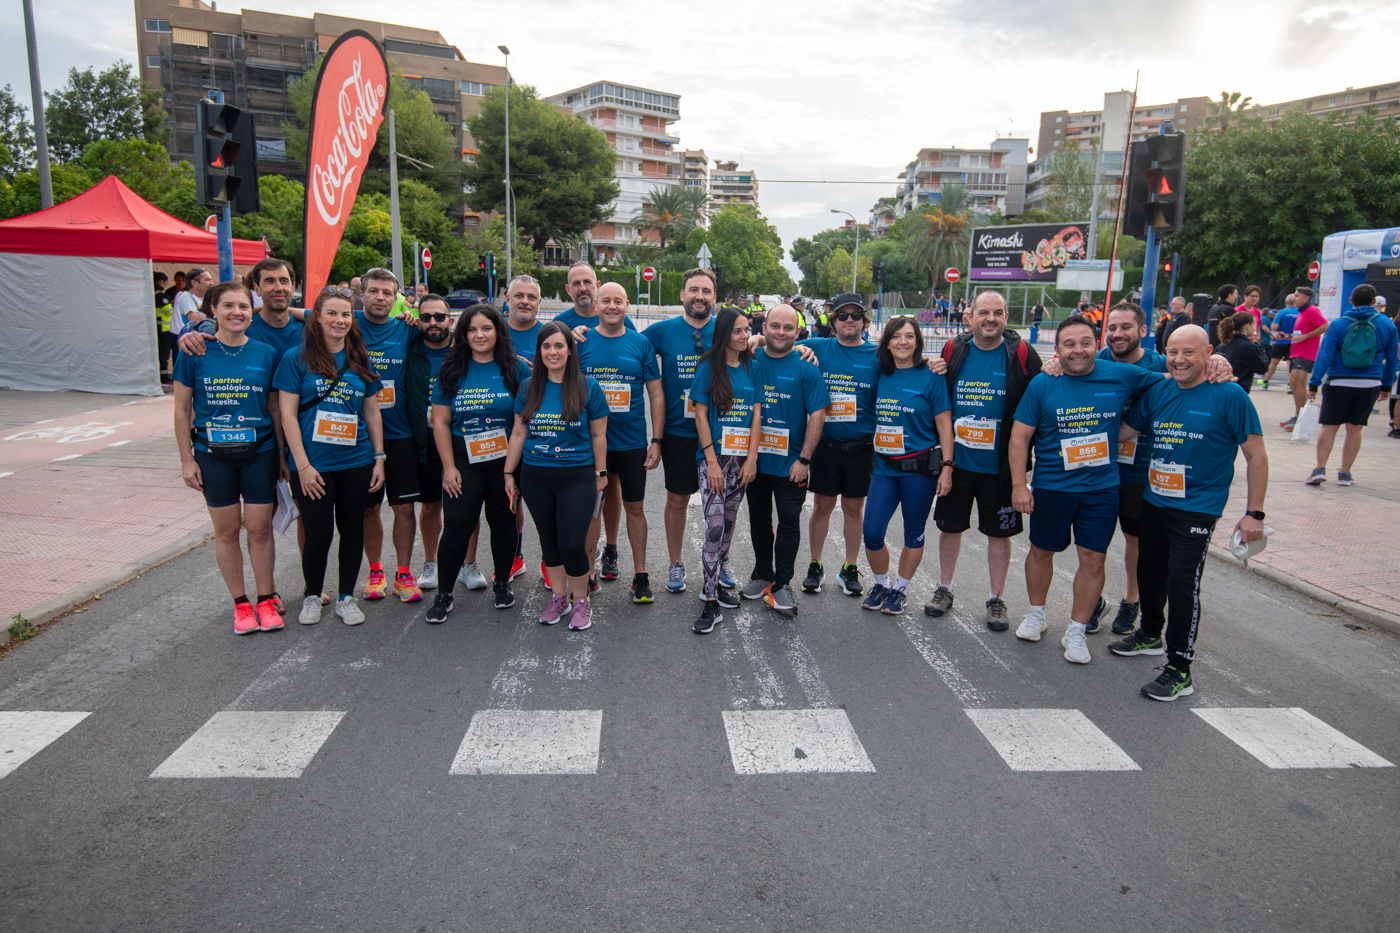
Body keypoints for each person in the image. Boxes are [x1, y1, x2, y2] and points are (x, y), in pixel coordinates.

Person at [1111, 325, 1267, 700]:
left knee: (1182, 583)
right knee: (1148, 571)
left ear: (1209, 352)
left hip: (1197, 509)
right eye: (1172, 351)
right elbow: (1124, 432)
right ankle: (1149, 634)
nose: (1179, 359)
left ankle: (1180, 668)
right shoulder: (1161, 390)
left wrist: (1255, 514)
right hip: (1155, 500)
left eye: (1189, 352)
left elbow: (1256, 455)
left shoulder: (1229, 395)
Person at [1007, 314, 1163, 664]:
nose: (1078, 351)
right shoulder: (1044, 383)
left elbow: (1172, 380)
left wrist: (1216, 363)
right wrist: (1020, 485)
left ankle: (1076, 631)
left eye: (1085, 343)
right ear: (1058, 349)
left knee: (1093, 558)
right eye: (1069, 344)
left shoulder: (1122, 374)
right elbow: (1020, 437)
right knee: (1041, 551)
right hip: (1052, 486)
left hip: (1101, 489)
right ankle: (1036, 614)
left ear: (1097, 345)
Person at [173, 281, 283, 635]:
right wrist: (186, 460)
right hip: (212, 455)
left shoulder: (266, 353)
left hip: (260, 452)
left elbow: (273, 407)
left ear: (252, 312)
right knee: (225, 533)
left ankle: (266, 599)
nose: (237, 312)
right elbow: (181, 408)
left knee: (259, 530)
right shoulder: (194, 352)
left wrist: (281, 453)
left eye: (244, 306)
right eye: (228, 306)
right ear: (213, 311)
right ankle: (241, 604)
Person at [929, 291, 1043, 629]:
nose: (990, 319)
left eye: (997, 313)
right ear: (969, 317)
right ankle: (944, 588)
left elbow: (1042, 392)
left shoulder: (1021, 353)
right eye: (983, 313)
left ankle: (996, 599)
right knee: (950, 529)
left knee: (999, 534)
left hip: (1001, 467)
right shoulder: (955, 349)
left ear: (1006, 317)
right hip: (957, 463)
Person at [274, 286, 386, 627]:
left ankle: (345, 597)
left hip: (356, 461)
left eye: (346, 314)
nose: (340, 320)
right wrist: (302, 465)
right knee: (318, 533)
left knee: (352, 529)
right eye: (332, 313)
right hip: (313, 466)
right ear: (317, 318)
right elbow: (287, 414)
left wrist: (379, 457)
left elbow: (371, 412)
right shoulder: (296, 358)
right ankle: (312, 594)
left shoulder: (358, 358)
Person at [426, 304, 531, 620]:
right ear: (463, 334)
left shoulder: (517, 369)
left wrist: (512, 469)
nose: (479, 335)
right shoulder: (452, 369)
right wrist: (449, 467)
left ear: (497, 331)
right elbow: (441, 422)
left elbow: (525, 416)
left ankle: (502, 583)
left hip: (505, 460)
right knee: (458, 523)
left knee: (503, 520)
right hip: (463, 459)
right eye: (472, 329)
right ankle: (444, 594)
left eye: (486, 328)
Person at [504, 322, 610, 631]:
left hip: (576, 476)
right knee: (549, 542)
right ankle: (558, 597)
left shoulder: (588, 386)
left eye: (559, 346)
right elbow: (519, 432)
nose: (553, 352)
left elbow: (598, 435)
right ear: (539, 352)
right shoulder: (529, 387)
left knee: (572, 544)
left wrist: (601, 474)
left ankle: (581, 601)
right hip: (536, 476)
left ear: (570, 349)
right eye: (546, 346)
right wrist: (509, 471)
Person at [860, 316, 954, 616]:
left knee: (913, 533)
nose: (903, 341)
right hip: (885, 469)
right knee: (872, 532)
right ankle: (882, 583)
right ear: (887, 341)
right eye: (896, 336)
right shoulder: (880, 372)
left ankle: (899, 590)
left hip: (920, 471)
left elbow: (944, 426)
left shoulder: (931, 375)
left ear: (918, 341)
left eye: (910, 336)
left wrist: (948, 468)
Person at [741, 305, 830, 617]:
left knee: (789, 521)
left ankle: (782, 584)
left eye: (787, 328)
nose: (780, 332)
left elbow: (817, 414)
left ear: (798, 331)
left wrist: (804, 459)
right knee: (759, 519)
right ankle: (762, 574)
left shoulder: (806, 366)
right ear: (764, 326)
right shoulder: (749, 360)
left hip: (792, 464)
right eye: (774, 326)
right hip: (754, 461)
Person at [577, 282, 663, 601]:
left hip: (630, 442)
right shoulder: (582, 341)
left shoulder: (640, 343)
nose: (612, 306)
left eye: (618, 301)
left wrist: (656, 440)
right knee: (592, 509)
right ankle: (588, 573)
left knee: (635, 506)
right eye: (606, 301)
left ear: (627, 305)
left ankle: (640, 575)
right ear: (596, 304)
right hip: (591, 444)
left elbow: (655, 394)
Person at [356, 268, 435, 604]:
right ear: (361, 294)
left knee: (404, 509)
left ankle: (404, 574)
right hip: (358, 437)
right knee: (368, 510)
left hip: (400, 434)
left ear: (397, 297)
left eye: (387, 293)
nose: (380, 298)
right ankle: (375, 571)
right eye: (374, 291)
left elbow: (445, 333)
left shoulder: (406, 328)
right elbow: (297, 314)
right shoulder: (347, 324)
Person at [459, 274, 543, 591]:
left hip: (535, 438)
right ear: (506, 299)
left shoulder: (550, 332)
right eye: (518, 295)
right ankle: (488, 561)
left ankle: (530, 559)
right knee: (482, 508)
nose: (524, 301)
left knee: (523, 502)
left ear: (539, 300)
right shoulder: (488, 328)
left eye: (531, 296)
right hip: (482, 443)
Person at [638, 268, 719, 593]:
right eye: (694, 290)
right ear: (682, 295)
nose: (700, 296)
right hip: (678, 433)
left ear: (714, 296)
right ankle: (675, 564)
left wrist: (803, 349)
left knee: (722, 503)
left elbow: (765, 342)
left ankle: (722, 561)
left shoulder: (725, 329)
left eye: (706, 290)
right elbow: (625, 341)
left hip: (720, 434)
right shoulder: (661, 331)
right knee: (677, 500)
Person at [797, 293, 880, 598]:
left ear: (863, 321)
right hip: (826, 445)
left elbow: (911, 365)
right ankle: (815, 565)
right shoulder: (819, 347)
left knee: (854, 509)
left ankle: (849, 567)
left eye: (855, 316)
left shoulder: (877, 354)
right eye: (842, 316)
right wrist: (798, 346)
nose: (849, 320)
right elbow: (774, 345)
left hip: (861, 447)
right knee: (822, 507)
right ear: (832, 322)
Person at [690, 307, 763, 634]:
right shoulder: (707, 368)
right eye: (737, 331)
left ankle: (716, 582)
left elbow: (757, 416)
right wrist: (712, 462)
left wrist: (752, 459)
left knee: (729, 527)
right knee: (715, 525)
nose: (744, 335)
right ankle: (709, 601)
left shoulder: (754, 368)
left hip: (741, 463)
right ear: (723, 334)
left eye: (746, 329)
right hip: (714, 462)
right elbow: (701, 416)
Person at [1304, 283, 1399, 486]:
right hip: (1370, 383)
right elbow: (1392, 358)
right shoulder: (1387, 325)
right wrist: (1386, 385)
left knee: (1329, 427)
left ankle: (1319, 469)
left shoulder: (1338, 324)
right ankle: (1345, 474)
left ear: (1350, 300)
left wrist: (1313, 383)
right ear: (1375, 302)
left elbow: (1325, 356)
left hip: (1338, 382)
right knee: (1355, 428)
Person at [408, 295, 453, 591]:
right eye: (425, 317)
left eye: (439, 316)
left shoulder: (463, 350)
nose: (433, 322)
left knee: (463, 506)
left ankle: (467, 563)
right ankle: (431, 561)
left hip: (458, 438)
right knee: (431, 505)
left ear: (450, 318)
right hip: (422, 439)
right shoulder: (409, 347)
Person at [1285, 287, 1329, 431]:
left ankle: (1300, 417)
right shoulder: (1302, 312)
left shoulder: (1312, 310)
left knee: (1296, 383)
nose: (1294, 298)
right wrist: (1288, 337)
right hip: (1297, 351)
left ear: (1306, 298)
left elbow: (1325, 326)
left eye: (1297, 296)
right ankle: (1299, 415)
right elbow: (1302, 332)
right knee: (1296, 384)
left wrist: (1305, 336)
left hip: (1306, 353)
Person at [553, 262, 636, 332]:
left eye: (587, 282)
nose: (582, 288)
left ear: (597, 285)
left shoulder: (620, 320)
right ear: (568, 290)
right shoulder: (560, 324)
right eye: (576, 283)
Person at [1216, 311, 1269, 394]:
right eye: (1254, 325)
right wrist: (1259, 347)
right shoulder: (1248, 347)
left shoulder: (1221, 346)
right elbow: (1262, 368)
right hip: (1238, 390)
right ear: (1247, 326)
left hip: (1220, 389)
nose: (1254, 328)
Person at [1264, 294, 1298, 392]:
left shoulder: (1282, 312)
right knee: (1290, 363)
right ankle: (1290, 385)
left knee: (1274, 362)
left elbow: (1274, 327)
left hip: (1281, 341)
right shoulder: (1300, 313)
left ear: (1286, 302)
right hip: (1294, 341)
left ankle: (1265, 381)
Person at [172, 267, 213, 334]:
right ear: (194, 283)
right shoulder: (186, 296)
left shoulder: (207, 296)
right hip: (189, 338)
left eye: (211, 280)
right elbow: (195, 319)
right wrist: (217, 314)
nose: (212, 283)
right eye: (207, 280)